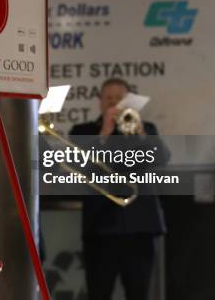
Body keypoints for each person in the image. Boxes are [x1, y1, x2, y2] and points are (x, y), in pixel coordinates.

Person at [69, 78, 168, 300]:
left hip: (140, 227)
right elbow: (79, 165)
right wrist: (104, 131)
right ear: (100, 102)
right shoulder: (83, 130)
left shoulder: (146, 128)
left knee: (139, 292)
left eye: (119, 98)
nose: (113, 103)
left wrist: (141, 133)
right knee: (99, 292)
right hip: (100, 229)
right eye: (108, 98)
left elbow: (162, 158)